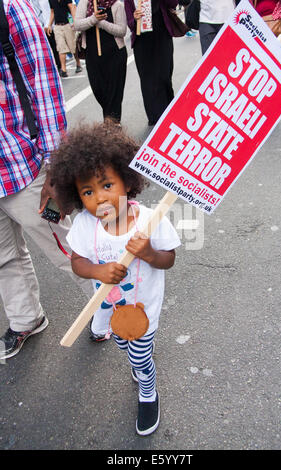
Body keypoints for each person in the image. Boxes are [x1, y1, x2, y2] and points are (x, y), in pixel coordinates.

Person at [49, 121, 181, 436]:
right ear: (77, 196)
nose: (99, 198)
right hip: (110, 310)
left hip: (142, 309)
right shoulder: (84, 224)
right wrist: (96, 271)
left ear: (126, 180)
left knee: (139, 354)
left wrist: (149, 253)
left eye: (107, 185)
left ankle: (148, 390)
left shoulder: (150, 221)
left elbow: (169, 259)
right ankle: (139, 365)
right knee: (124, 344)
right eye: (88, 191)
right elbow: (78, 262)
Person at [0, 0, 96, 361]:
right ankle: (26, 319)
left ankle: (110, 309)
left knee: (67, 246)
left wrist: (56, 169)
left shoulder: (9, 10)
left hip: (22, 166)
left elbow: (43, 84)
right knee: (3, 257)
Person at [124, 0, 178, 126]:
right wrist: (135, 18)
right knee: (147, 79)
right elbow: (130, 22)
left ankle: (169, 110)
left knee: (164, 75)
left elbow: (173, 3)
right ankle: (154, 117)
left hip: (162, 35)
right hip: (141, 41)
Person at [74, 0, 128, 123]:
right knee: (99, 90)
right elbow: (77, 25)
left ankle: (113, 125)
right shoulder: (85, 3)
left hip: (115, 55)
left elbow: (122, 31)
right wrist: (93, 19)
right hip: (93, 56)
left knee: (114, 93)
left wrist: (102, 23)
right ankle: (110, 122)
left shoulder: (116, 5)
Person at [47, 0, 82, 77]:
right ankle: (64, 70)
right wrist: (49, 25)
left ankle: (78, 63)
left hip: (68, 24)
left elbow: (71, 7)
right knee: (61, 47)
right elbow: (52, 11)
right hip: (57, 26)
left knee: (73, 46)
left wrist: (74, 21)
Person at [30, 0, 62, 73]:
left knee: (54, 46)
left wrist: (48, 24)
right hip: (40, 26)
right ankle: (53, 66)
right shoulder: (31, 2)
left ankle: (59, 65)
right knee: (47, 47)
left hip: (49, 25)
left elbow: (49, 11)